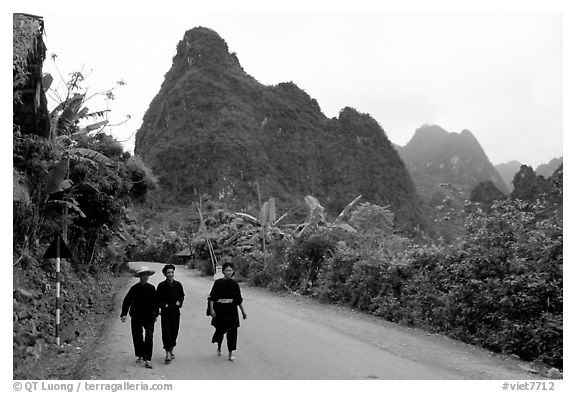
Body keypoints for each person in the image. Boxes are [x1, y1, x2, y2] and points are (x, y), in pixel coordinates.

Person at [120, 266, 158, 369]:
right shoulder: (134, 289)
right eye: (143, 275)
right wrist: (124, 313)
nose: (145, 277)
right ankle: (140, 354)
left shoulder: (151, 288)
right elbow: (127, 301)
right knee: (137, 336)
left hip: (149, 316)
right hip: (136, 315)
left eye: (147, 275)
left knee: (149, 336)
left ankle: (148, 359)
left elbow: (156, 302)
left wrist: (156, 314)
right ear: (140, 276)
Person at [208, 262, 247, 361]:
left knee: (232, 332)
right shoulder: (218, 283)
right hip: (220, 310)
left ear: (233, 272)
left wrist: (243, 312)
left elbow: (238, 299)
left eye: (230, 270)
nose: (228, 272)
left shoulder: (235, 284)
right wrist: (212, 310)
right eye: (226, 270)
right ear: (223, 272)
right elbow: (212, 297)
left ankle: (230, 352)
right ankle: (219, 346)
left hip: (232, 311)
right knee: (220, 331)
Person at [156, 264, 185, 364]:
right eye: (168, 272)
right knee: (166, 332)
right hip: (165, 313)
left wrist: (179, 302)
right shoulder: (161, 286)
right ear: (165, 274)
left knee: (174, 332)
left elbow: (182, 296)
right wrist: (163, 305)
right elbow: (157, 300)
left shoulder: (178, 285)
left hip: (175, 312)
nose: (170, 274)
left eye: (172, 272)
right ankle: (167, 352)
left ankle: (171, 349)